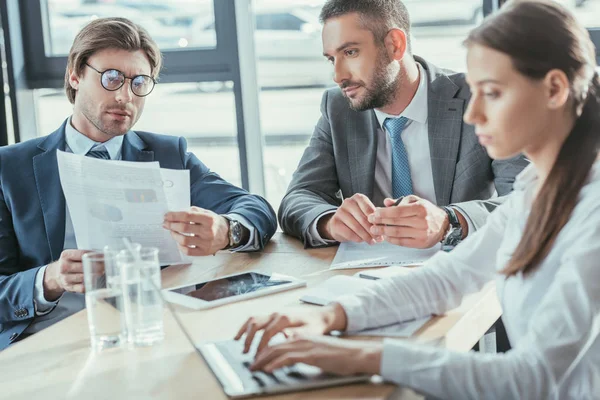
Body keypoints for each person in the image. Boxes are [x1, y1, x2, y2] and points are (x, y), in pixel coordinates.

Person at [236, 1, 600, 397]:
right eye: (475, 91)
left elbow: (531, 377)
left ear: (554, 89)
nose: (474, 112)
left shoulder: (591, 211)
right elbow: (447, 277)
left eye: (491, 93)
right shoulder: (539, 188)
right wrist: (329, 317)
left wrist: (361, 358)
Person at [0, 17, 277, 350]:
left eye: (139, 82)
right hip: (50, 342)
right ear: (75, 74)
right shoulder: (10, 168)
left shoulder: (167, 153)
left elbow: (255, 208)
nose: (125, 96)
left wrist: (226, 229)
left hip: (153, 334)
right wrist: (50, 279)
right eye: (112, 78)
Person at [279, 0, 528, 250]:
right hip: (366, 272)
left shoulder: (477, 99)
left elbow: (531, 201)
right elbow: (298, 198)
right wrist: (330, 222)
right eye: (331, 59)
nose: (338, 75)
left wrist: (448, 221)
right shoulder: (338, 108)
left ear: (395, 45)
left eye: (350, 52)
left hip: (462, 270)